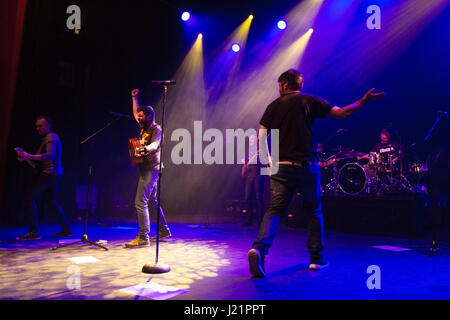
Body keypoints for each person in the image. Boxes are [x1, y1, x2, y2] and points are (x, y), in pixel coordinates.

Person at [248, 69, 385, 277]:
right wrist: (363, 101)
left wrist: (268, 160)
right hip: (307, 165)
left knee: (275, 210)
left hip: (281, 166)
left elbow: (260, 137)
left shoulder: (273, 106)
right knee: (314, 211)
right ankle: (317, 259)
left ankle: (259, 249)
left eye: (279, 85)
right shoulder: (310, 101)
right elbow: (343, 113)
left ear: (284, 85)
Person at [124, 89, 171, 248]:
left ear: (149, 116)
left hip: (152, 169)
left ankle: (143, 237)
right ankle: (164, 230)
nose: (138, 117)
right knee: (153, 200)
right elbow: (134, 112)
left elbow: (155, 145)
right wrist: (134, 97)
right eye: (138, 116)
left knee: (140, 202)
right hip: (147, 168)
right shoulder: (143, 126)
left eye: (141, 115)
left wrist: (144, 149)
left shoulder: (156, 129)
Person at [16, 116, 72, 240]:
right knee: (51, 201)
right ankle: (66, 229)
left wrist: (28, 155)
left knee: (29, 197)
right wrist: (25, 158)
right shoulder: (47, 139)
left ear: (48, 126)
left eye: (40, 126)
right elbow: (38, 165)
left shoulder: (51, 137)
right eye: (36, 126)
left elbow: (50, 155)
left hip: (50, 173)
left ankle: (34, 232)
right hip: (53, 172)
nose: (38, 128)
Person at [241, 133, 265, 227]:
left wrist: (256, 158)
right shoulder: (248, 151)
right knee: (247, 198)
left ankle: (260, 221)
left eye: (253, 139)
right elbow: (245, 163)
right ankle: (249, 220)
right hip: (249, 176)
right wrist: (245, 163)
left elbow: (264, 162)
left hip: (258, 174)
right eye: (250, 139)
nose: (251, 141)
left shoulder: (261, 149)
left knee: (259, 198)